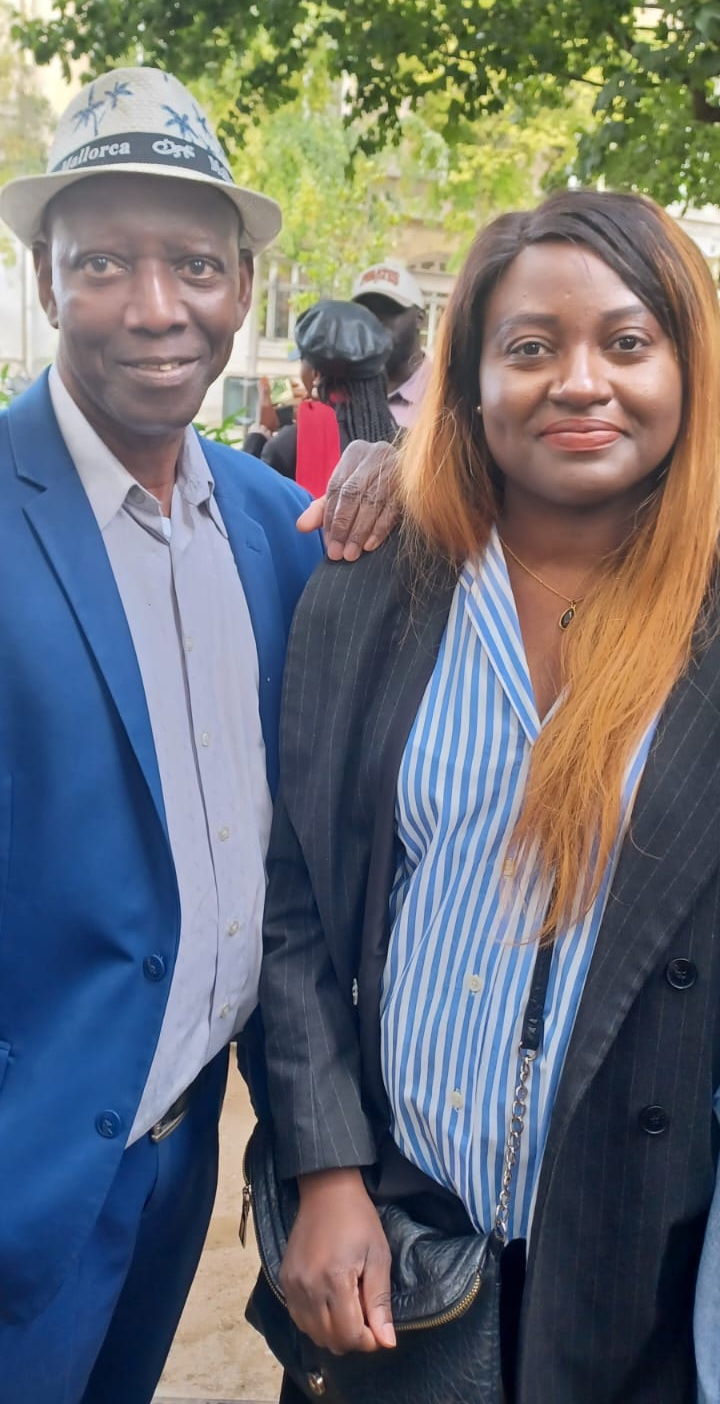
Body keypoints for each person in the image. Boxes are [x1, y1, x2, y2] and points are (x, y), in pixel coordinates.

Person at [258, 190, 720, 1403]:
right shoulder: (372, 588)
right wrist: (327, 1169)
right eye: (530, 346)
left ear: (688, 367)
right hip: (402, 1250)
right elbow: (293, 900)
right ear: (467, 383)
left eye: (629, 341)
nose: (581, 381)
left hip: (646, 1268)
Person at [0, 65, 394, 1404]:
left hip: (176, 1165)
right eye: (104, 263)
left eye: (196, 265)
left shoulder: (280, 528)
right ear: (48, 281)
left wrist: (414, 469)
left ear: (242, 285)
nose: (157, 306)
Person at [247, 300, 398, 494]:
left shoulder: (287, 446)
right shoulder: (403, 441)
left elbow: (241, 500)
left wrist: (259, 434)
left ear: (315, 374)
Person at [352, 259, 431, 426]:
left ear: (420, 319)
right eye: (364, 313)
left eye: (388, 310)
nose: (374, 322)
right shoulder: (342, 392)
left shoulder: (447, 395)